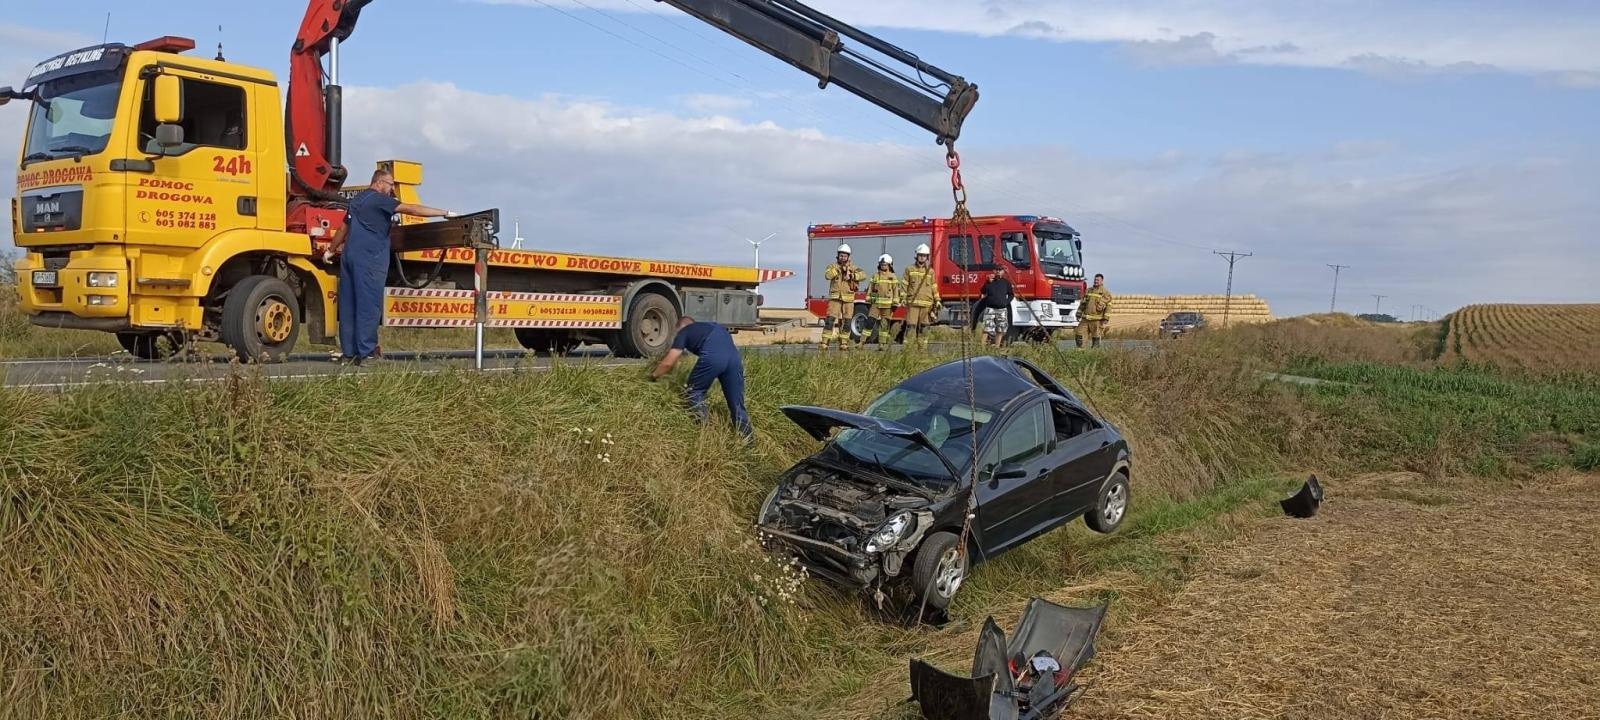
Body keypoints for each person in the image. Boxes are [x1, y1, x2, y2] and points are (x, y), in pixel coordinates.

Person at [327, 169, 455, 365]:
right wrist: (444, 213)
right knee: (368, 306)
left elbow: (344, 228)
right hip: (370, 259)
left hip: (350, 257)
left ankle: (349, 354)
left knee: (349, 306)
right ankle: (368, 354)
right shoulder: (379, 200)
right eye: (390, 184)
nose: (392, 189)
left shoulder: (358, 200)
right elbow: (412, 209)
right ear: (379, 183)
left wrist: (331, 249)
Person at [650, 317, 753, 439]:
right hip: (735, 360)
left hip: (714, 358)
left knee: (693, 392)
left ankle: (705, 435)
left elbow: (668, 362)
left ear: (681, 327)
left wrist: (653, 376)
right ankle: (748, 442)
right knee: (736, 403)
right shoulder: (713, 326)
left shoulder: (684, 332)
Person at [820, 244, 865, 351]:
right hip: (835, 298)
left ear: (848, 257)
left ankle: (843, 343)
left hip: (848, 299)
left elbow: (863, 275)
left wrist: (852, 275)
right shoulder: (832, 266)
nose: (843, 258)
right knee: (830, 320)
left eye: (845, 256)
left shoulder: (853, 268)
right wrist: (838, 270)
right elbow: (827, 276)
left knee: (847, 321)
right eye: (841, 256)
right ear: (838, 256)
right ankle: (825, 342)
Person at [901, 244, 941, 350]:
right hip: (913, 303)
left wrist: (937, 300)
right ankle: (908, 349)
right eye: (920, 255)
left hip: (926, 304)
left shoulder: (930, 271)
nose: (922, 257)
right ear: (917, 256)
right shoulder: (909, 269)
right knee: (911, 326)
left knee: (924, 327)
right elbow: (904, 285)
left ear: (927, 257)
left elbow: (934, 287)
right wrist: (903, 298)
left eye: (924, 255)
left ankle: (922, 349)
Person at [860, 254, 901, 350]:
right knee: (869, 322)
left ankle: (882, 344)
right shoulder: (875, 276)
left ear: (889, 265)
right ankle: (862, 342)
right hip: (876, 304)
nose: (883, 266)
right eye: (882, 264)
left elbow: (896, 291)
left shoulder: (892, 277)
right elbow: (871, 288)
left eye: (885, 264)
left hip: (887, 306)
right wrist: (868, 298)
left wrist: (895, 303)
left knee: (884, 325)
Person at [976, 269, 1014, 347]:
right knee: (987, 328)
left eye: (1000, 270)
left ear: (1003, 272)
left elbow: (1011, 294)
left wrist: (1006, 302)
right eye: (996, 270)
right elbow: (983, 291)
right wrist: (987, 282)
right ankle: (982, 347)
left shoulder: (1006, 283)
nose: (998, 271)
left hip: (1002, 309)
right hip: (990, 308)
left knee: (1001, 329)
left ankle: (997, 347)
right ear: (993, 271)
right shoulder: (990, 282)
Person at [1076, 273, 1113, 348]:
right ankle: (1080, 354)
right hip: (1085, 319)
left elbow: (1108, 307)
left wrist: (1105, 319)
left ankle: (1094, 355)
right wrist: (1078, 313)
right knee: (1079, 335)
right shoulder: (1088, 291)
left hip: (1097, 321)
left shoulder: (1105, 293)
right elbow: (1083, 303)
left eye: (1098, 280)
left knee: (1096, 339)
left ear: (1102, 281)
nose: (1096, 281)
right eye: (1095, 279)